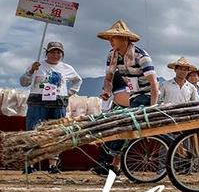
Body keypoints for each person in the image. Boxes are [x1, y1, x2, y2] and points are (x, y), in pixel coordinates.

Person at [95, 20, 159, 176]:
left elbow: (154, 85)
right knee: (116, 119)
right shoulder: (112, 56)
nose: (111, 41)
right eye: (109, 38)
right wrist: (106, 91)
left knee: (125, 120)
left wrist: (152, 108)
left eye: (114, 38)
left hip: (146, 95)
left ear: (124, 39)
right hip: (133, 96)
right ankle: (115, 165)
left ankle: (111, 158)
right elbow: (109, 79)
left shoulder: (141, 56)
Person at [19, 41, 82, 173]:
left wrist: (71, 92)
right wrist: (31, 71)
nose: (55, 54)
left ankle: (53, 165)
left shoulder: (67, 68)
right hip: (37, 102)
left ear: (62, 54)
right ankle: (30, 164)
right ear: (47, 53)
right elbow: (23, 82)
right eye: (52, 52)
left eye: (58, 52)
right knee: (33, 132)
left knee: (57, 133)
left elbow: (78, 80)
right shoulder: (37, 65)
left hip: (58, 103)